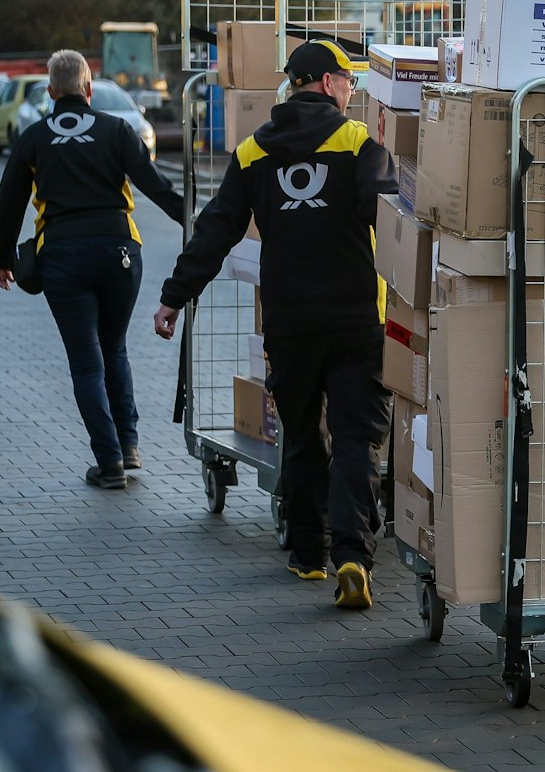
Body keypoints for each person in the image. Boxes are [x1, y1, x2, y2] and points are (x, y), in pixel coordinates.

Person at [151, 40, 395, 611]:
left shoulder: (252, 151)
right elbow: (386, 214)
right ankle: (353, 555)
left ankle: (307, 554)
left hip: (290, 322)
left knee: (303, 432)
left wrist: (173, 297)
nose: (352, 89)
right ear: (328, 83)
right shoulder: (358, 142)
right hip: (357, 316)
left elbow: (215, 230)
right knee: (358, 436)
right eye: (347, 80)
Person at [0, 49, 184, 490]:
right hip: (121, 252)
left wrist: (3, 258)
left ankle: (109, 461)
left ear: (51, 91)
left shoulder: (34, 137)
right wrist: (194, 222)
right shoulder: (116, 130)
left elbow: (7, 204)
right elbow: (154, 184)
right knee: (113, 347)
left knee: (85, 361)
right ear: (89, 89)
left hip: (63, 254)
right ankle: (129, 444)